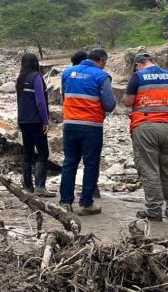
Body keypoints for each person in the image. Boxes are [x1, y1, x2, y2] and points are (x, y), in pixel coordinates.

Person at [122, 53, 168, 222]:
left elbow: (127, 101)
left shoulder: (138, 77)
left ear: (139, 64)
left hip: (145, 126)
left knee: (149, 170)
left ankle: (154, 211)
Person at [59, 49, 116, 215]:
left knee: (69, 162)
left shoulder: (67, 73)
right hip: (91, 126)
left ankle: (65, 202)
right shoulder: (101, 76)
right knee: (90, 164)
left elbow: (64, 98)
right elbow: (110, 104)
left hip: (69, 124)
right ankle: (86, 203)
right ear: (101, 61)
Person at [16, 53, 56, 197]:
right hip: (35, 120)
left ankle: (27, 186)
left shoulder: (20, 79)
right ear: (35, 63)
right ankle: (40, 186)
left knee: (27, 152)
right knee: (43, 152)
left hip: (23, 120)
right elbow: (40, 101)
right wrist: (46, 120)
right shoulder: (36, 77)